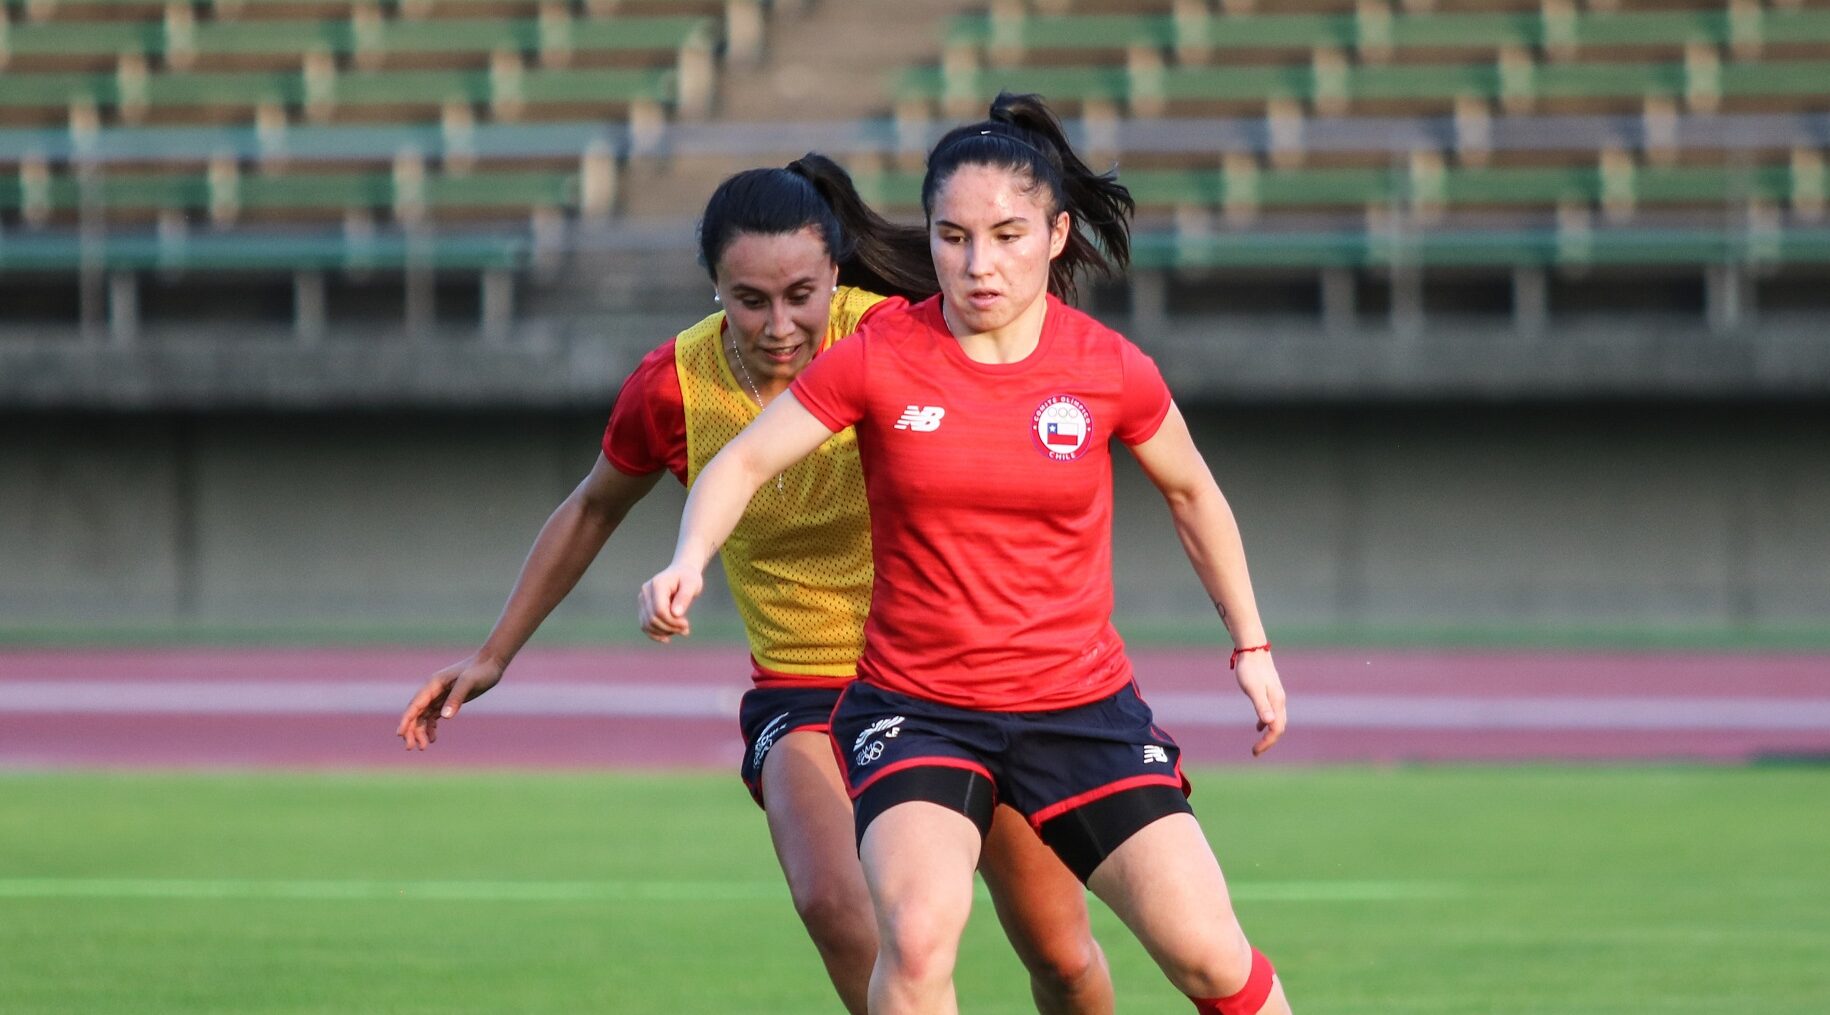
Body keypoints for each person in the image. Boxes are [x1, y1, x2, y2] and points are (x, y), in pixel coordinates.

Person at [396, 155, 1117, 1015]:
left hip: (955, 679)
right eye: (750, 300)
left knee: (1063, 954)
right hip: (804, 687)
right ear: (714, 288)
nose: (780, 325)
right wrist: (494, 654)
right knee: (838, 906)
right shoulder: (674, 387)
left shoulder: (904, 338)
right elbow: (591, 509)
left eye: (801, 295)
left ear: (836, 272)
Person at [641, 95, 1293, 1014]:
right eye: (952, 236)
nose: (978, 264)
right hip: (917, 712)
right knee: (913, 943)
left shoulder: (1107, 366)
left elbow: (1193, 493)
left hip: (1080, 709)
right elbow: (744, 458)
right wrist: (687, 559)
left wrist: (1253, 646)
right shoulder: (877, 355)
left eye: (1006, 234)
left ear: (1058, 234)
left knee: (1206, 956)